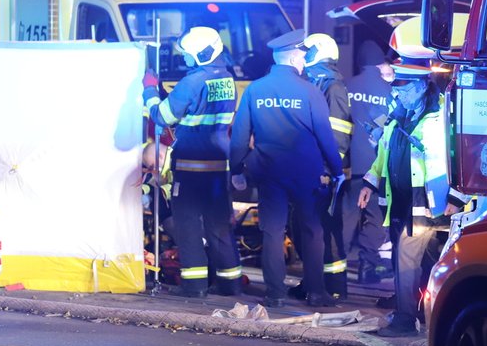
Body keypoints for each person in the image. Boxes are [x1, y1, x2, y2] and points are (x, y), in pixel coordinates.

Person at [230, 29, 344, 308]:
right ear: (294, 57)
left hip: (269, 172)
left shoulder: (255, 90)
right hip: (307, 173)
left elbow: (240, 135)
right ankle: (317, 292)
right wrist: (337, 169)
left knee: (272, 231)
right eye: (303, 56)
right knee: (312, 230)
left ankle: (275, 293)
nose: (305, 60)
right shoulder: (309, 91)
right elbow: (325, 135)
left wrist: (236, 170)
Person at [358, 59, 469, 336]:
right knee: (424, 260)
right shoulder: (399, 114)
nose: (400, 94)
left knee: (406, 258)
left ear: (421, 87)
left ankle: (406, 320)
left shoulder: (441, 116)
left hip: (427, 201)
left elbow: (464, 156)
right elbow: (384, 152)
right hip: (400, 199)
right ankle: (424, 313)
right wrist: (370, 184)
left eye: (405, 89)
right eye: (397, 89)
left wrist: (456, 196)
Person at [143, 26, 243, 298]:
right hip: (218, 166)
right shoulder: (226, 77)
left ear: (202, 54)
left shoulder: (192, 81)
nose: (184, 59)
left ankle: (195, 286)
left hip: (190, 167)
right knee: (219, 227)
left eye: (187, 54)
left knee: (187, 227)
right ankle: (230, 284)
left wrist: (150, 91)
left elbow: (163, 116)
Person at [293, 32, 352, 300]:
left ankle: (335, 286)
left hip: (324, 173)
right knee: (306, 228)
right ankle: (314, 281)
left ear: (320, 51)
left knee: (325, 229)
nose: (303, 55)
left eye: (307, 51)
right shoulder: (315, 81)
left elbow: (338, 135)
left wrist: (328, 170)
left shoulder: (333, 87)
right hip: (310, 169)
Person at [343, 41, 394, 285]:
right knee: (375, 218)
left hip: (348, 165)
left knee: (346, 217)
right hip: (377, 167)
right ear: (379, 63)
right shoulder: (388, 90)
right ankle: (367, 267)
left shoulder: (346, 86)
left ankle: (335, 269)